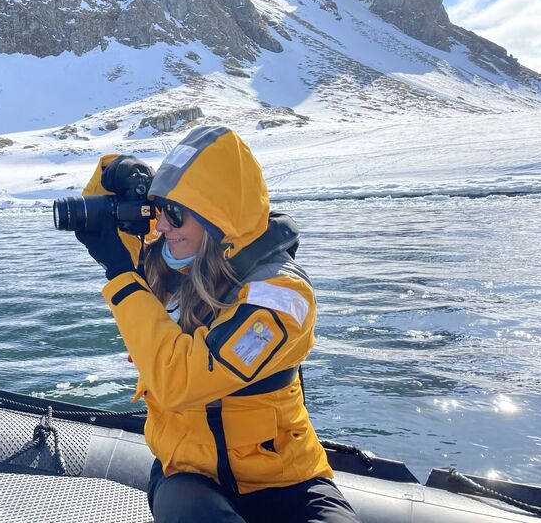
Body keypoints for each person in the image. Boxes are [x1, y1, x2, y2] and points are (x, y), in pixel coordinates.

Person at [75, 125, 359, 523]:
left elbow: (180, 381)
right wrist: (116, 171)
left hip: (287, 478)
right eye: (159, 211)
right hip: (189, 475)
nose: (161, 227)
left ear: (216, 218)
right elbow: (100, 212)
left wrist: (123, 276)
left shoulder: (282, 296)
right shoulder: (174, 259)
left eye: (174, 214)